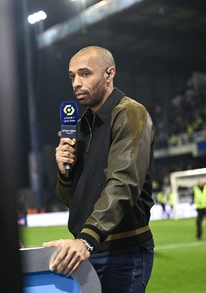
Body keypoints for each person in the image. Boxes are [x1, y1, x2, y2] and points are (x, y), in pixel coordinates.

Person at [43, 46, 155, 292]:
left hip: (122, 253)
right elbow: (71, 200)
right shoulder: (81, 125)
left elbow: (123, 184)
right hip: (88, 249)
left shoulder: (129, 113)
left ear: (109, 73)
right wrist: (64, 173)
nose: (76, 83)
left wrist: (87, 238)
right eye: (72, 76)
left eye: (85, 74)